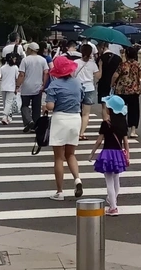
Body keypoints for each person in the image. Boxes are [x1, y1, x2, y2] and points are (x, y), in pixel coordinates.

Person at [44, 56, 84, 201]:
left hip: (60, 119)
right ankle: (77, 179)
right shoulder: (77, 83)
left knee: (58, 158)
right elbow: (81, 98)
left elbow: (50, 106)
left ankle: (60, 191)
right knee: (71, 154)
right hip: (75, 118)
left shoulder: (54, 85)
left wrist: (45, 106)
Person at [89, 95, 131, 216]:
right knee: (116, 179)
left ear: (110, 110)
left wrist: (92, 153)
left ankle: (113, 207)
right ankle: (113, 201)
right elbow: (126, 142)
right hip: (118, 154)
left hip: (107, 153)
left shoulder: (106, 124)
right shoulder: (123, 123)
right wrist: (128, 154)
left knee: (109, 181)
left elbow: (99, 141)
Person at [111, 47, 141, 138]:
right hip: (134, 91)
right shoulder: (138, 65)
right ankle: (133, 130)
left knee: (120, 110)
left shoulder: (123, 65)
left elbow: (115, 75)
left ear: (126, 55)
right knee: (134, 111)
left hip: (121, 90)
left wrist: (112, 84)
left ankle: (120, 128)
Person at [16, 42, 49, 132]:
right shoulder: (42, 60)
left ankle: (29, 121)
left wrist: (17, 85)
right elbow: (46, 73)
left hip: (26, 87)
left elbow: (21, 74)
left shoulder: (25, 60)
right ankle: (35, 126)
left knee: (24, 106)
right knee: (36, 108)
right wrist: (43, 85)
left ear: (30, 50)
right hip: (38, 87)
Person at [74, 44, 100, 140]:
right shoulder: (93, 64)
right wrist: (101, 66)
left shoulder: (75, 62)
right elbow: (98, 76)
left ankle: (75, 132)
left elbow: (72, 75)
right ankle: (81, 133)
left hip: (77, 88)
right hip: (89, 88)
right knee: (86, 113)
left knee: (76, 111)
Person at [0, 53, 20, 124]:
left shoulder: (3, 67)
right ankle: (5, 117)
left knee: (5, 103)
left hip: (3, 87)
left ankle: (8, 117)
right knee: (8, 102)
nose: (15, 60)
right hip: (11, 88)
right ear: (11, 59)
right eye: (14, 59)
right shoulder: (15, 67)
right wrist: (17, 87)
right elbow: (17, 78)